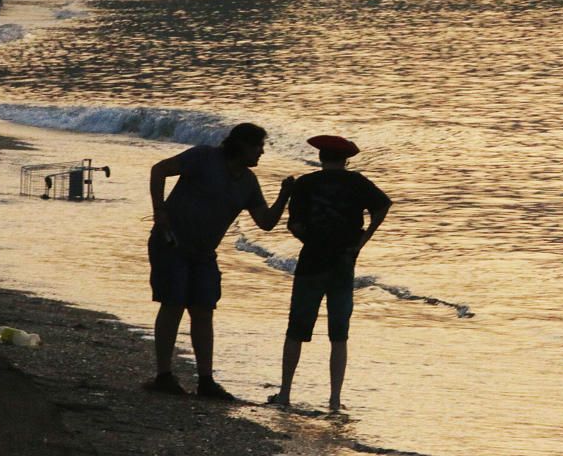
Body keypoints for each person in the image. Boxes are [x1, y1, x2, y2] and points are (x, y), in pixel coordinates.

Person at [146, 123, 294, 400]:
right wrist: (159, 210)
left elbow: (265, 223)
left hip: (203, 254)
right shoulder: (203, 157)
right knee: (173, 305)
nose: (261, 152)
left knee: (203, 311)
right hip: (172, 243)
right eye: (258, 146)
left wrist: (284, 196)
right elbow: (159, 170)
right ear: (242, 146)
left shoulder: (248, 182)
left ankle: (206, 381)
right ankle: (163, 375)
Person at [269, 135, 391, 411]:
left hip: (312, 261)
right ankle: (335, 400)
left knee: (296, 329)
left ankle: (285, 393)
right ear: (345, 160)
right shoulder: (357, 182)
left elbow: (295, 226)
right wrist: (361, 242)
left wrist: (312, 241)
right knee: (339, 334)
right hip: (343, 263)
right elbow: (383, 206)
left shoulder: (306, 183)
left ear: (321, 158)